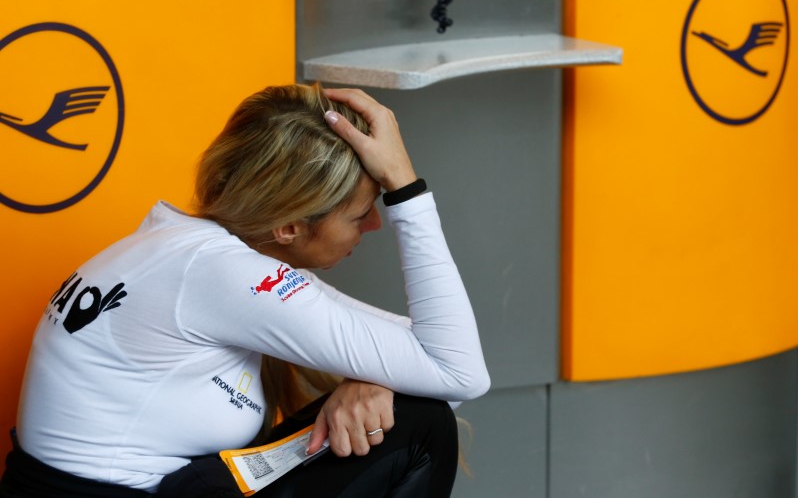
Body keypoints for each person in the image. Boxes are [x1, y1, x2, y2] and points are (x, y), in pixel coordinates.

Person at [0, 85, 490, 497]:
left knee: (411, 406)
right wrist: (405, 187)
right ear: (290, 228)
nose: (376, 223)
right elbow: (458, 369)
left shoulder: (188, 250)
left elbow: (437, 359)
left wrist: (375, 377)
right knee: (423, 427)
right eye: (360, 214)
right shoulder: (221, 274)